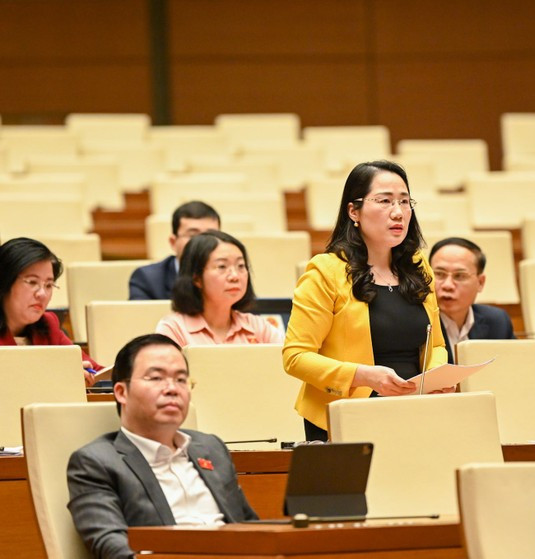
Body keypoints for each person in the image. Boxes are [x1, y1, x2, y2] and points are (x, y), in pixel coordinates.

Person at [283, 160, 449, 442]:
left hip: (412, 411)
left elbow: (437, 344)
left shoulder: (419, 266)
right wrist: (363, 376)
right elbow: (295, 357)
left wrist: (435, 377)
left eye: (405, 202)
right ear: (354, 211)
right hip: (345, 415)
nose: (398, 213)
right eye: (384, 201)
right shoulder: (325, 271)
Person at [67, 333, 258, 559]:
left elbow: (250, 527)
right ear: (121, 392)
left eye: (181, 379)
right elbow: (112, 547)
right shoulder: (95, 463)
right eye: (156, 378)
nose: (172, 389)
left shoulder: (211, 448)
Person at [155, 230, 284, 346]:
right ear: (196, 278)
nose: (234, 276)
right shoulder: (173, 329)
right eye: (222, 266)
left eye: (240, 266)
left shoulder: (258, 327)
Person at [0, 237, 100, 385]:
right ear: (5, 282)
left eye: (48, 285)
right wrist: (59, 373)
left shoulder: (48, 325)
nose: (42, 294)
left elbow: (97, 371)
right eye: (32, 282)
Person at [428, 237, 515, 363]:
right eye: (439, 274)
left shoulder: (498, 322)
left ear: (480, 282)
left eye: (459, 276)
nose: (447, 285)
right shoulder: (415, 323)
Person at [129, 201, 221, 300]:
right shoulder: (147, 279)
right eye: (193, 236)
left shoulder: (233, 275)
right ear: (173, 242)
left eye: (211, 235)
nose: (202, 243)